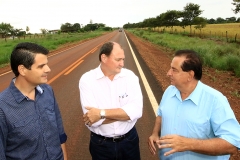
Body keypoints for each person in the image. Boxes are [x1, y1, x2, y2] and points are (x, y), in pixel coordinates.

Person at [148, 50, 240, 160]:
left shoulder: (215, 101)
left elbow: (233, 143)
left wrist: (188, 144)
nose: (168, 73)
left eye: (174, 70)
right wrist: (155, 133)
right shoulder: (169, 91)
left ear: (190, 75)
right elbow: (161, 114)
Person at [0, 42, 68, 160]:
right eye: (41, 66)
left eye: (46, 64)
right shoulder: (2, 107)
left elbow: (59, 132)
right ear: (22, 70)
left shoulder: (47, 91)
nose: (48, 69)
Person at [79, 41, 143, 160]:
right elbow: (92, 120)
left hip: (129, 141)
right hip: (101, 145)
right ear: (104, 57)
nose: (122, 64)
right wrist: (125, 115)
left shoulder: (130, 77)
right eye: (118, 59)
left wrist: (101, 114)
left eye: (123, 59)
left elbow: (137, 111)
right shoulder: (87, 80)